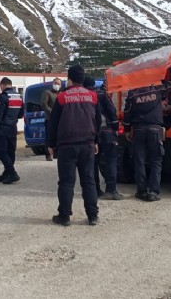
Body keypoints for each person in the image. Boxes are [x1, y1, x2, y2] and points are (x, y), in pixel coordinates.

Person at [47, 65, 101, 226]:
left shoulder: (62, 97)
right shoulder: (93, 96)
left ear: (69, 79)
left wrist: (50, 144)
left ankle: (64, 216)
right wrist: (96, 141)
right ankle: (92, 216)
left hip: (66, 145)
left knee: (66, 182)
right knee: (89, 180)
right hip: (87, 144)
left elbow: (53, 123)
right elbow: (98, 121)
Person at [123, 67, 171, 202]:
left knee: (139, 161)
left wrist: (126, 129)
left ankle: (141, 191)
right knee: (156, 161)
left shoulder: (132, 93)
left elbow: (127, 113)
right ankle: (153, 192)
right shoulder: (157, 89)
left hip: (138, 130)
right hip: (154, 130)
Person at [83, 77, 123, 200]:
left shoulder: (83, 97)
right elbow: (112, 111)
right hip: (107, 131)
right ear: (94, 84)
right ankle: (111, 190)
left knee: (93, 163)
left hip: (90, 134)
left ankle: (96, 190)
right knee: (111, 160)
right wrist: (116, 126)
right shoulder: (101, 94)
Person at [0, 77, 24, 184]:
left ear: (2, 85)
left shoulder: (3, 97)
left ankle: (12, 173)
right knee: (10, 152)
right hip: (13, 127)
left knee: (0, 151)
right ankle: (7, 173)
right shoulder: (19, 97)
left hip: (3, 128)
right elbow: (21, 114)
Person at [41, 77, 62, 161]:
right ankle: (48, 154)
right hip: (49, 118)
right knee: (49, 136)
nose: (57, 85)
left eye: (58, 84)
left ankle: (56, 153)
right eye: (55, 83)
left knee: (58, 136)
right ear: (52, 84)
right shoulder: (47, 92)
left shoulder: (61, 94)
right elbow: (44, 104)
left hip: (59, 119)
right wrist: (52, 112)